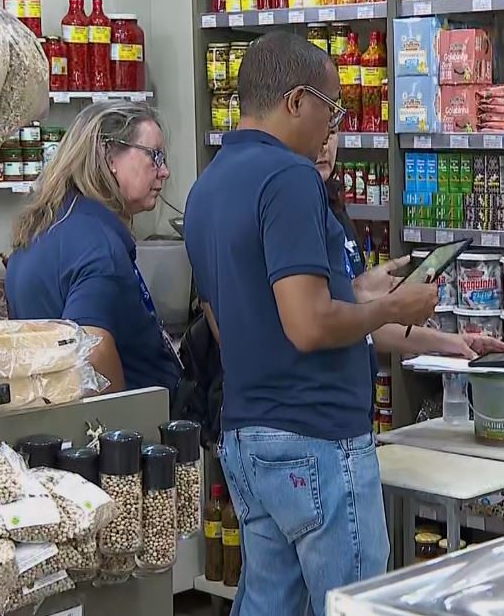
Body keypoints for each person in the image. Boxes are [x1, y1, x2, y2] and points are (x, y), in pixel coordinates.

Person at [184, 31, 437, 616]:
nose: (333, 127)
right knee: (353, 606)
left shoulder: (207, 186)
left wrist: (354, 292)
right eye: (332, 108)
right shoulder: (290, 177)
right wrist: (393, 308)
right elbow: (308, 325)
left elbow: (234, 317)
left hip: (247, 435)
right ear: (296, 101)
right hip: (316, 435)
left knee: (267, 600)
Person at [5, 101, 181, 397]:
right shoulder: (98, 245)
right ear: (109, 155)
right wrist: (123, 421)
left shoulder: (44, 227)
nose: (164, 171)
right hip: (122, 421)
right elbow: (91, 350)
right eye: (154, 156)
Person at [315, 134, 504, 360]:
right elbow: (318, 325)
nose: (324, 146)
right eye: (321, 131)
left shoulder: (334, 208)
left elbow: (367, 329)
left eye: (332, 132)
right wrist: (383, 304)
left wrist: (454, 343)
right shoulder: (302, 218)